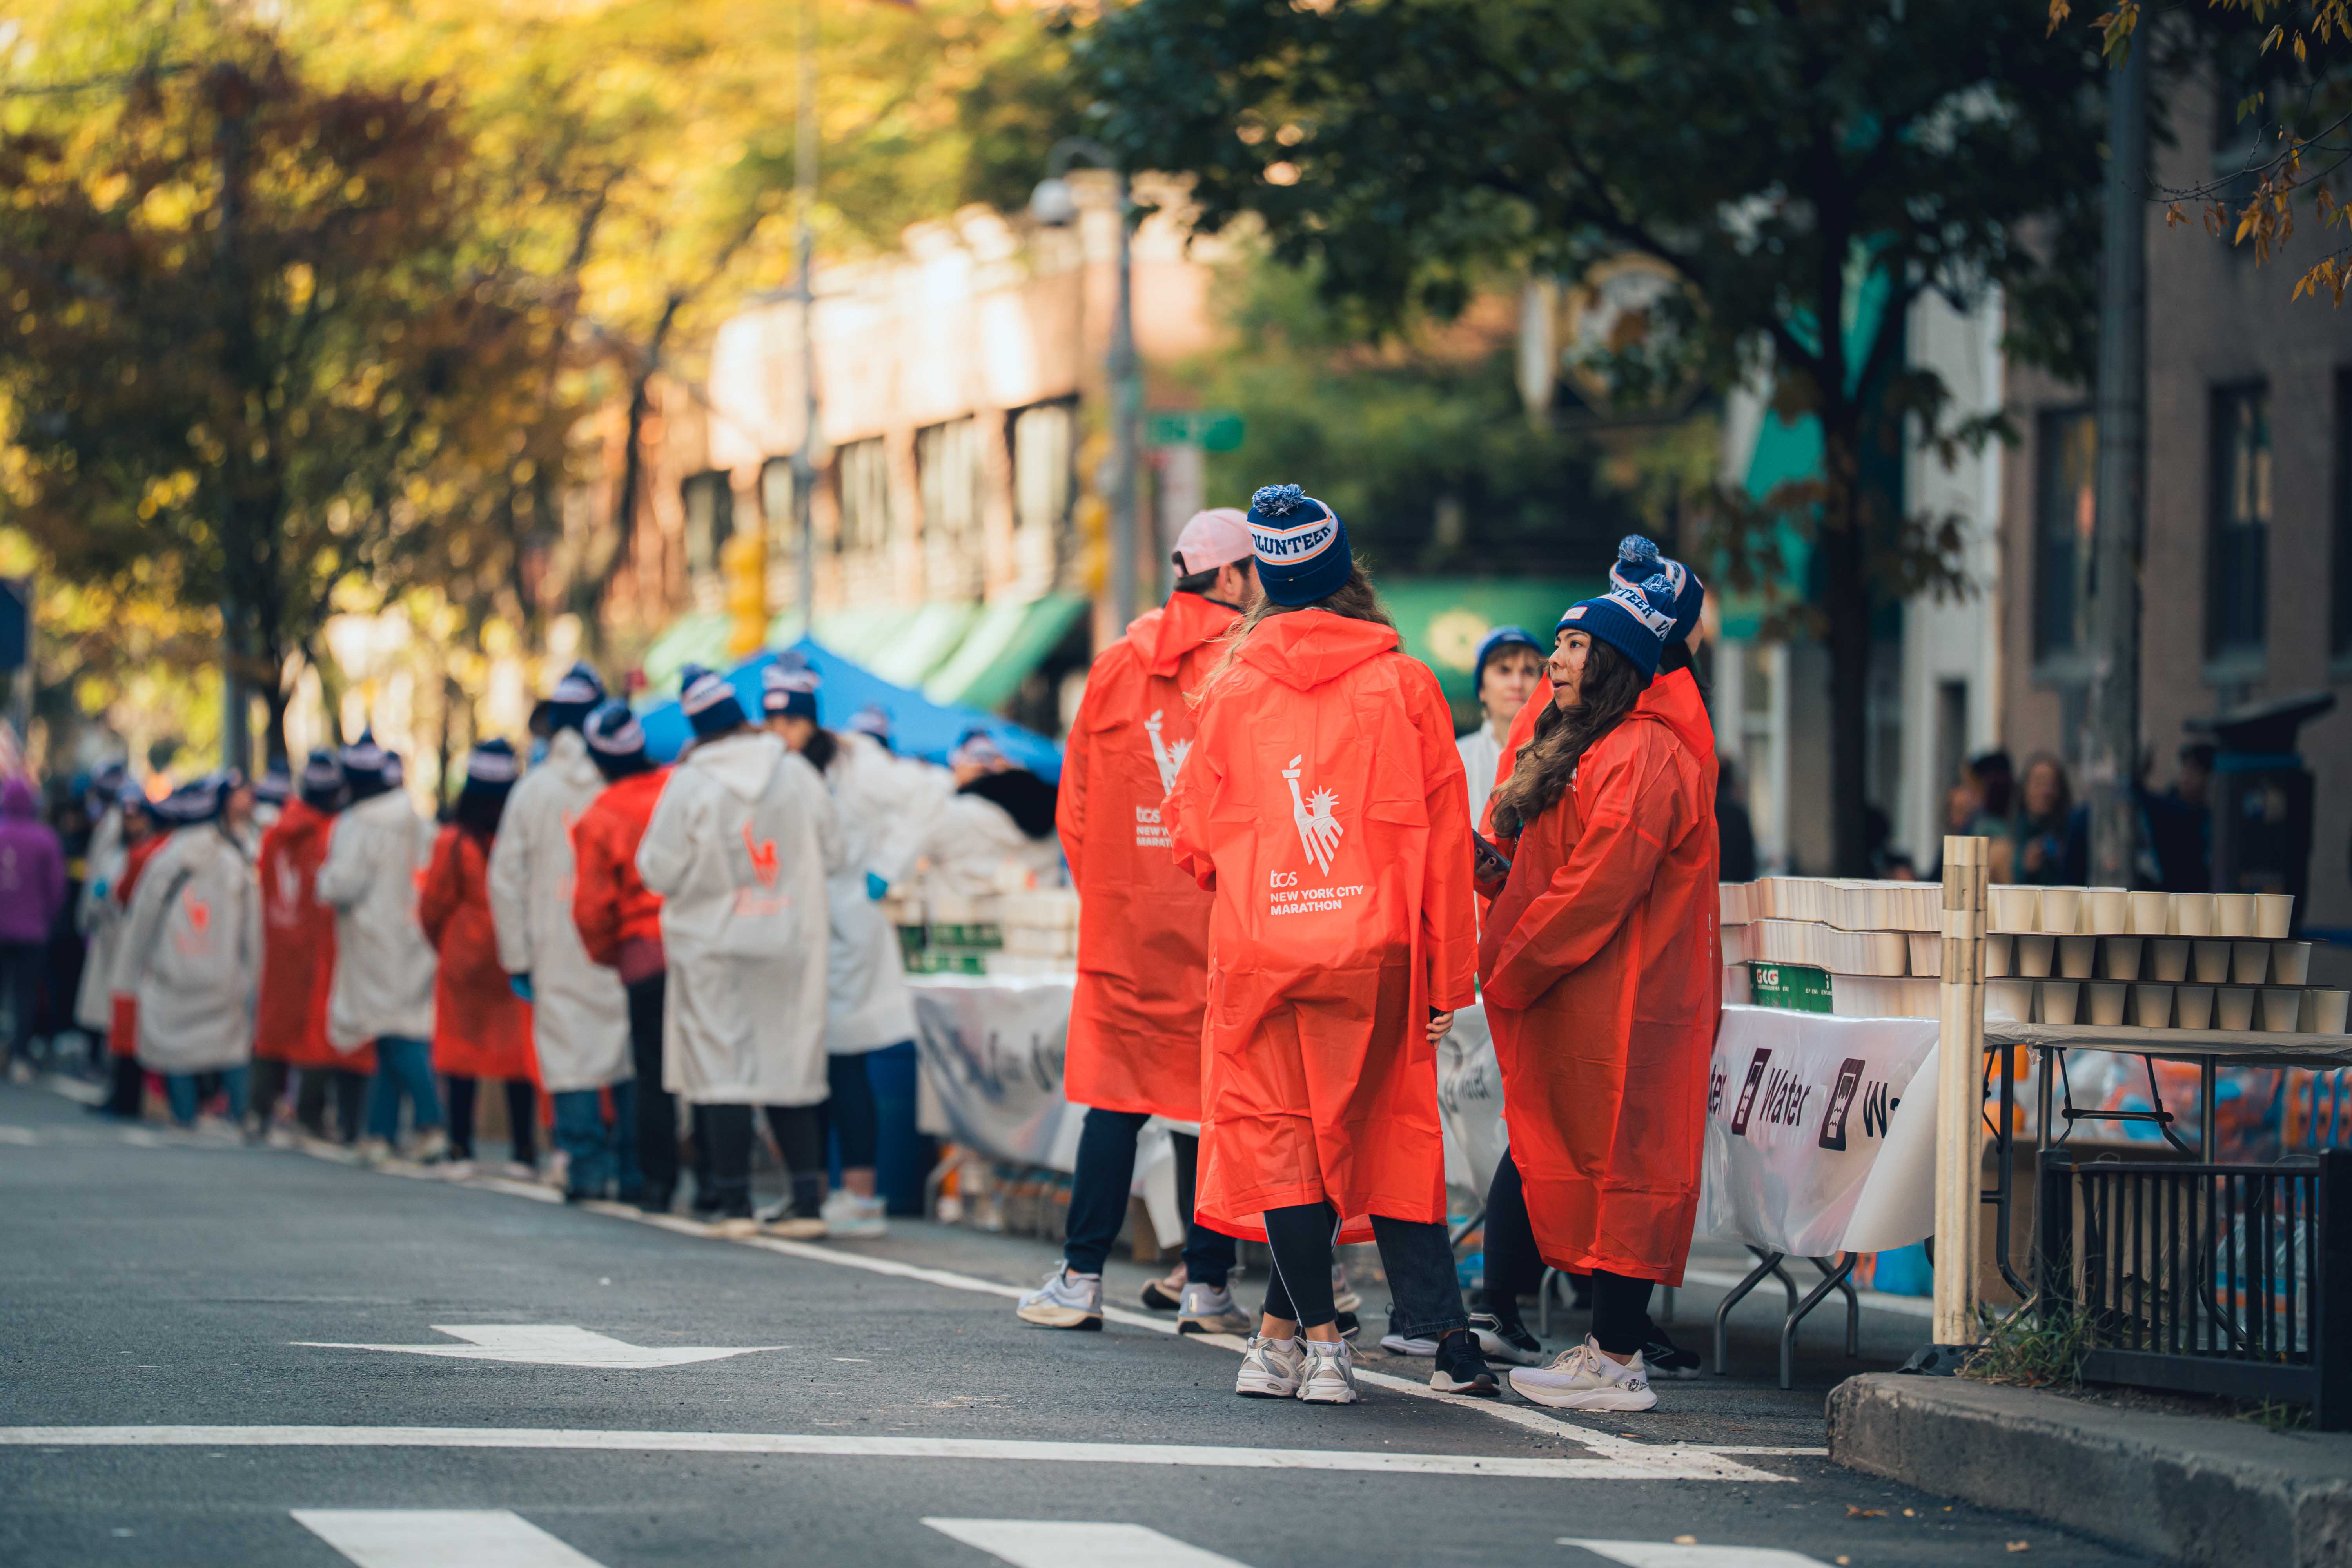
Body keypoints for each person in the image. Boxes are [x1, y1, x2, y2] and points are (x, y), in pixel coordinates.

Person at [1164, 483, 1495, 1406]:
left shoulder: (1230, 686)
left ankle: (1312, 1343)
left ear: (1266, 577)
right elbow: (1441, 842)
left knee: (1282, 1146)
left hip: (1263, 945)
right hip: (1376, 952)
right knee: (1368, 1136)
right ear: (1348, 569)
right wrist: (1445, 977)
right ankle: (1309, 1338)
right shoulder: (1407, 682)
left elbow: (1192, 837)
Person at [1470, 535, 1715, 1375]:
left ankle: (1615, 1357)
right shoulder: (1584, 742)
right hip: (1578, 991)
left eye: (1576, 646)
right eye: (1561, 643)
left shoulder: (1644, 750)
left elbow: (1597, 887)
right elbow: (1556, 868)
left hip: (1622, 992)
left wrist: (1512, 965)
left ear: (1618, 659)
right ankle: (1601, 1347)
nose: (1556, 661)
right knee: (1565, 1147)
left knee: (1625, 1159)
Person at [1018, 508, 1257, 1335]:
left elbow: (1075, 804)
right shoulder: (1249, 663)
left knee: (1115, 1100)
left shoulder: (1118, 665)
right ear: (1230, 577)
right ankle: (1208, 1285)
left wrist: (1113, 894)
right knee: (1210, 1102)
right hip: (1221, 918)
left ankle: (1081, 1278)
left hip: (1124, 924)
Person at [636, 666, 844, 1235]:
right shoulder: (798, 773)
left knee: (722, 1067)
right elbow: (837, 850)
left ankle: (735, 1206)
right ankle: (806, 1202)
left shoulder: (690, 782)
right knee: (789, 1063)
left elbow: (656, 869)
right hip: (789, 940)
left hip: (714, 947)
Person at [764, 659, 929, 1238]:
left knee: (845, 1060)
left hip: (850, 926)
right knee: (813, 1064)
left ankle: (861, 1195)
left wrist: (885, 869)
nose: (781, 730)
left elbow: (928, 795)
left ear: (812, 719)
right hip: (798, 927)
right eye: (772, 720)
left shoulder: (857, 759)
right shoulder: (775, 769)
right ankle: (826, 1189)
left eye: (791, 719)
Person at [490, 663, 638, 1203]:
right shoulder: (618, 782)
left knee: (570, 1055)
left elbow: (506, 879)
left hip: (554, 942)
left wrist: (518, 957)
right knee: (628, 1051)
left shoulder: (533, 790)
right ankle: (635, 1170)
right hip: (617, 939)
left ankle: (586, 1169)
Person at [315, 734, 445, 1161]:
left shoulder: (358, 824)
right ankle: (380, 1131)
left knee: (398, 1035)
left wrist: (325, 881)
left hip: (373, 941)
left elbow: (343, 883)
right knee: (394, 1032)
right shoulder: (415, 819)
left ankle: (431, 1123)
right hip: (412, 935)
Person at [572, 702, 681, 1212]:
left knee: (652, 1074)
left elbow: (592, 906)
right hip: (703, 942)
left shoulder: (600, 816)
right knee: (713, 1062)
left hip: (645, 954)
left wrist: (611, 955)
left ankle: (655, 1184)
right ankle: (722, 1185)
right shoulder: (679, 787)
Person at [421, 740, 540, 1175]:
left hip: (463, 961)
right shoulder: (519, 832)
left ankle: (460, 1146)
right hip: (513, 953)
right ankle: (525, 1150)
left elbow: (433, 904)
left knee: (460, 1052)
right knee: (516, 1056)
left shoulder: (453, 840)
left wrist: (446, 945)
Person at [116, 773, 260, 1129]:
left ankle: (184, 1117)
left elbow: (140, 926)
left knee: (176, 1051)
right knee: (231, 1051)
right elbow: (253, 934)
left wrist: (127, 979)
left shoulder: (164, 862)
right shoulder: (235, 863)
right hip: (225, 979)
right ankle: (243, 1117)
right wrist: (254, 978)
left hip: (174, 977)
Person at [253, 751, 367, 1145]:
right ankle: (310, 1112)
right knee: (317, 1027)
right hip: (319, 937)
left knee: (274, 1022)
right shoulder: (330, 833)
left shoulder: (276, 831)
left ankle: (257, 1109)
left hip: (279, 934)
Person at [95, 785, 169, 1119]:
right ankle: (128, 1095)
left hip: (139, 944)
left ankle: (130, 1097)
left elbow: (123, 895)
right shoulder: (132, 852)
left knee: (129, 1021)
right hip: (130, 941)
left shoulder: (146, 855)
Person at [918, 730, 1063, 897]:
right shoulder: (1049, 809)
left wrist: (954, 782)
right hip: (1038, 913)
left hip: (958, 914)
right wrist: (1022, 774)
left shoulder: (953, 812)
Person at [0, 772, 66, 1075]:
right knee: (25, 994)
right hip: (32, 930)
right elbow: (57, 888)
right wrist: (47, 918)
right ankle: (20, 1057)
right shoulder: (44, 838)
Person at [1456, 627, 1545, 831]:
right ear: (1481, 689)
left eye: (1529, 671)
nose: (1517, 684)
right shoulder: (1457, 757)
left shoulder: (1561, 756)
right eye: (1504, 670)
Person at [1998, 752, 2073, 886]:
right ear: (2025, 789)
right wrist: (2025, 868)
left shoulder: (2070, 833)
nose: (2045, 791)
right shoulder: (2009, 836)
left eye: (2051, 784)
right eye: (2039, 783)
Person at [1716, 755, 1759, 883]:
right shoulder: (1739, 814)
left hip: (1712, 885)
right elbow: (1748, 858)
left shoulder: (1704, 811)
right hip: (1736, 886)